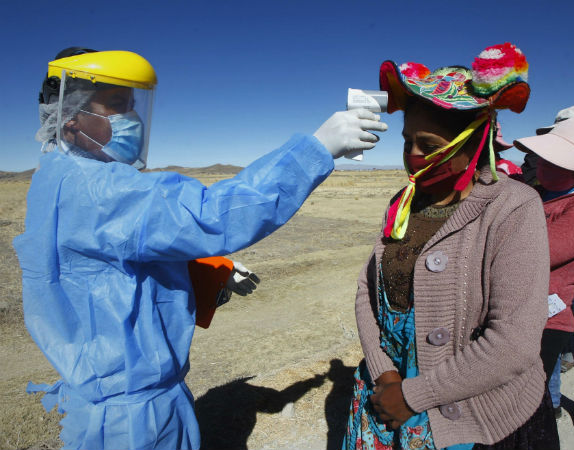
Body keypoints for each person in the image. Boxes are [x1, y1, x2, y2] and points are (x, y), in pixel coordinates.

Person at [13, 47, 388, 450]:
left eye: (133, 106)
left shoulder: (58, 176)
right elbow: (215, 214)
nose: (132, 120)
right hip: (133, 418)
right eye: (117, 106)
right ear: (70, 118)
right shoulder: (99, 188)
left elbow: (112, 266)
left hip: (106, 400)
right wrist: (317, 148)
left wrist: (202, 269)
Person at [343, 43, 559, 450]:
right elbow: (366, 291)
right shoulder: (402, 203)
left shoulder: (513, 207)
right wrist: (384, 374)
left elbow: (513, 343)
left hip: (473, 410)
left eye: (427, 143)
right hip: (387, 388)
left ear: (473, 142)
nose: (412, 156)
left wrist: (412, 395)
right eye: (407, 141)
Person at [513, 116, 574, 433]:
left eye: (555, 161)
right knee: (542, 377)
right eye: (544, 158)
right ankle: (551, 408)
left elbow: (534, 255)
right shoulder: (545, 192)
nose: (543, 165)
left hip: (551, 311)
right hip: (528, 308)